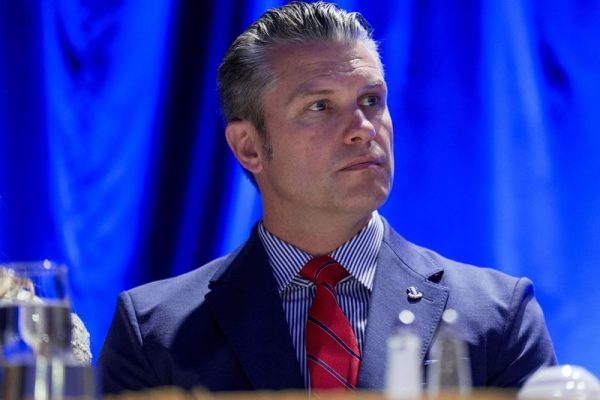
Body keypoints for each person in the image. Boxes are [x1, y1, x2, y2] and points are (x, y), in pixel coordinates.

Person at [98, 1, 556, 394]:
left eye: (372, 100)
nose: (363, 129)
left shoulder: (498, 315)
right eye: (320, 106)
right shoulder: (154, 331)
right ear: (249, 147)